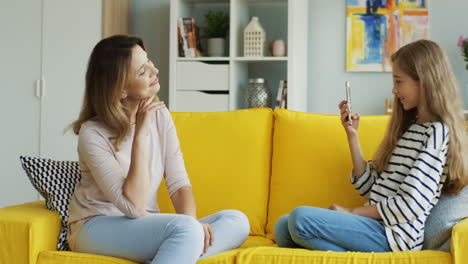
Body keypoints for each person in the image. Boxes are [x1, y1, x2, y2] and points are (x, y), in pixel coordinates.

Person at [67, 35, 250, 264]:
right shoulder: (91, 133)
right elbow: (133, 206)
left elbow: (179, 182)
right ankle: (177, 248)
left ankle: (174, 251)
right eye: (143, 71)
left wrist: (192, 225)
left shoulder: (160, 116)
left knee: (237, 221)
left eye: (149, 61)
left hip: (146, 224)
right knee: (186, 231)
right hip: (96, 225)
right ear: (120, 89)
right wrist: (141, 134)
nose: (155, 71)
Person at [274, 39, 467, 252]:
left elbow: (411, 204)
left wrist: (351, 213)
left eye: (398, 81)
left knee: (299, 219)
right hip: (375, 226)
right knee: (283, 226)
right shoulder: (411, 128)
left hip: (394, 236)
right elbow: (370, 188)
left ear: (424, 81)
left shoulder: (436, 133)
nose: (394, 90)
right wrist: (352, 136)